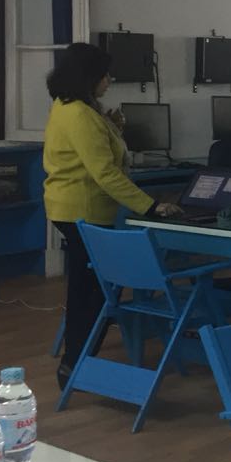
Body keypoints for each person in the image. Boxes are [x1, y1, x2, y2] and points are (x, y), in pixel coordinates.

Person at [41, 43, 183, 390]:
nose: (110, 80)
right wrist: (150, 206)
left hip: (70, 207)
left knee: (87, 288)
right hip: (84, 209)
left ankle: (76, 360)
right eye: (105, 75)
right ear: (89, 77)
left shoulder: (70, 106)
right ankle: (76, 362)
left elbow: (103, 153)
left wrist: (112, 127)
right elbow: (105, 173)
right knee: (93, 292)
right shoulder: (80, 114)